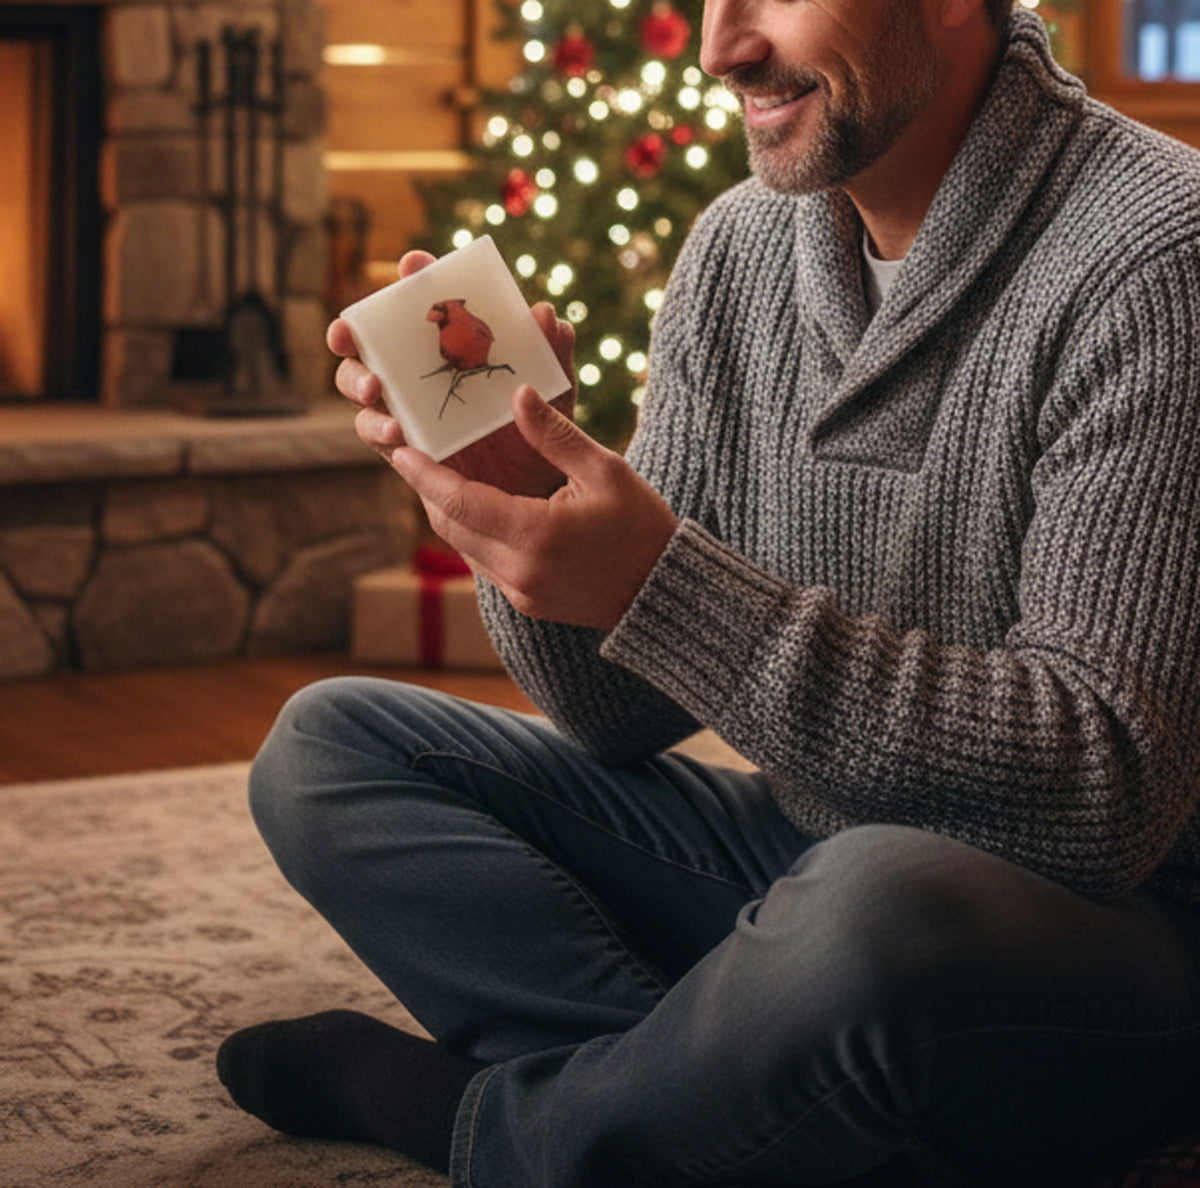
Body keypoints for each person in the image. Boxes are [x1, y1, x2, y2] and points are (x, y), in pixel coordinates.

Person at [216, 0, 1200, 1183]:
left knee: (873, 903)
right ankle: (722, 1101)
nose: (721, 47)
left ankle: (501, 1130)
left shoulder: (1158, 250)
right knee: (329, 748)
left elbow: (1107, 788)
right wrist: (528, 509)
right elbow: (615, 715)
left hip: (1112, 943)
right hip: (812, 866)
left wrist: (661, 583)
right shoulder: (741, 247)